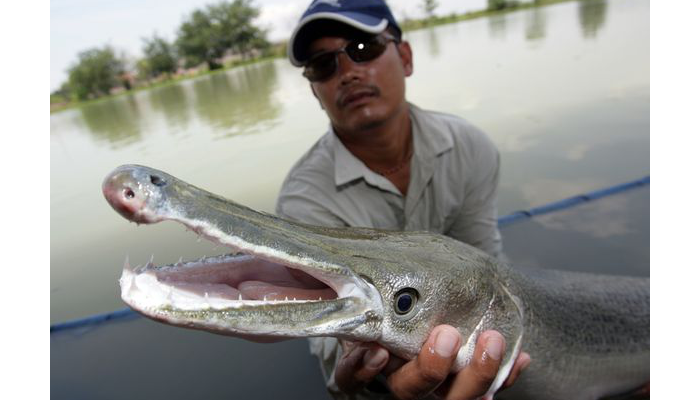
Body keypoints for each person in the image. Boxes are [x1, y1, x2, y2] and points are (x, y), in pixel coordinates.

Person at [276, 1, 530, 399]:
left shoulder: (469, 146)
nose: (347, 73)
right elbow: (326, 334)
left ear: (406, 57)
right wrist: (364, 369)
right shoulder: (303, 200)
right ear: (314, 91)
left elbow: (489, 269)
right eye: (323, 65)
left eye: (364, 48)